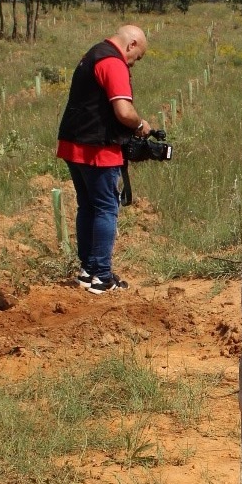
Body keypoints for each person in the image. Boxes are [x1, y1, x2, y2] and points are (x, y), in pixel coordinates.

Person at [56, 24, 153, 293]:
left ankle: (88, 271)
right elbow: (124, 111)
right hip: (97, 149)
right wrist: (140, 125)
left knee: (87, 206)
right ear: (131, 45)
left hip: (72, 144)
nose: (133, 63)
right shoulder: (113, 62)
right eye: (136, 57)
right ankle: (102, 276)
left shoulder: (93, 53)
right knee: (106, 207)